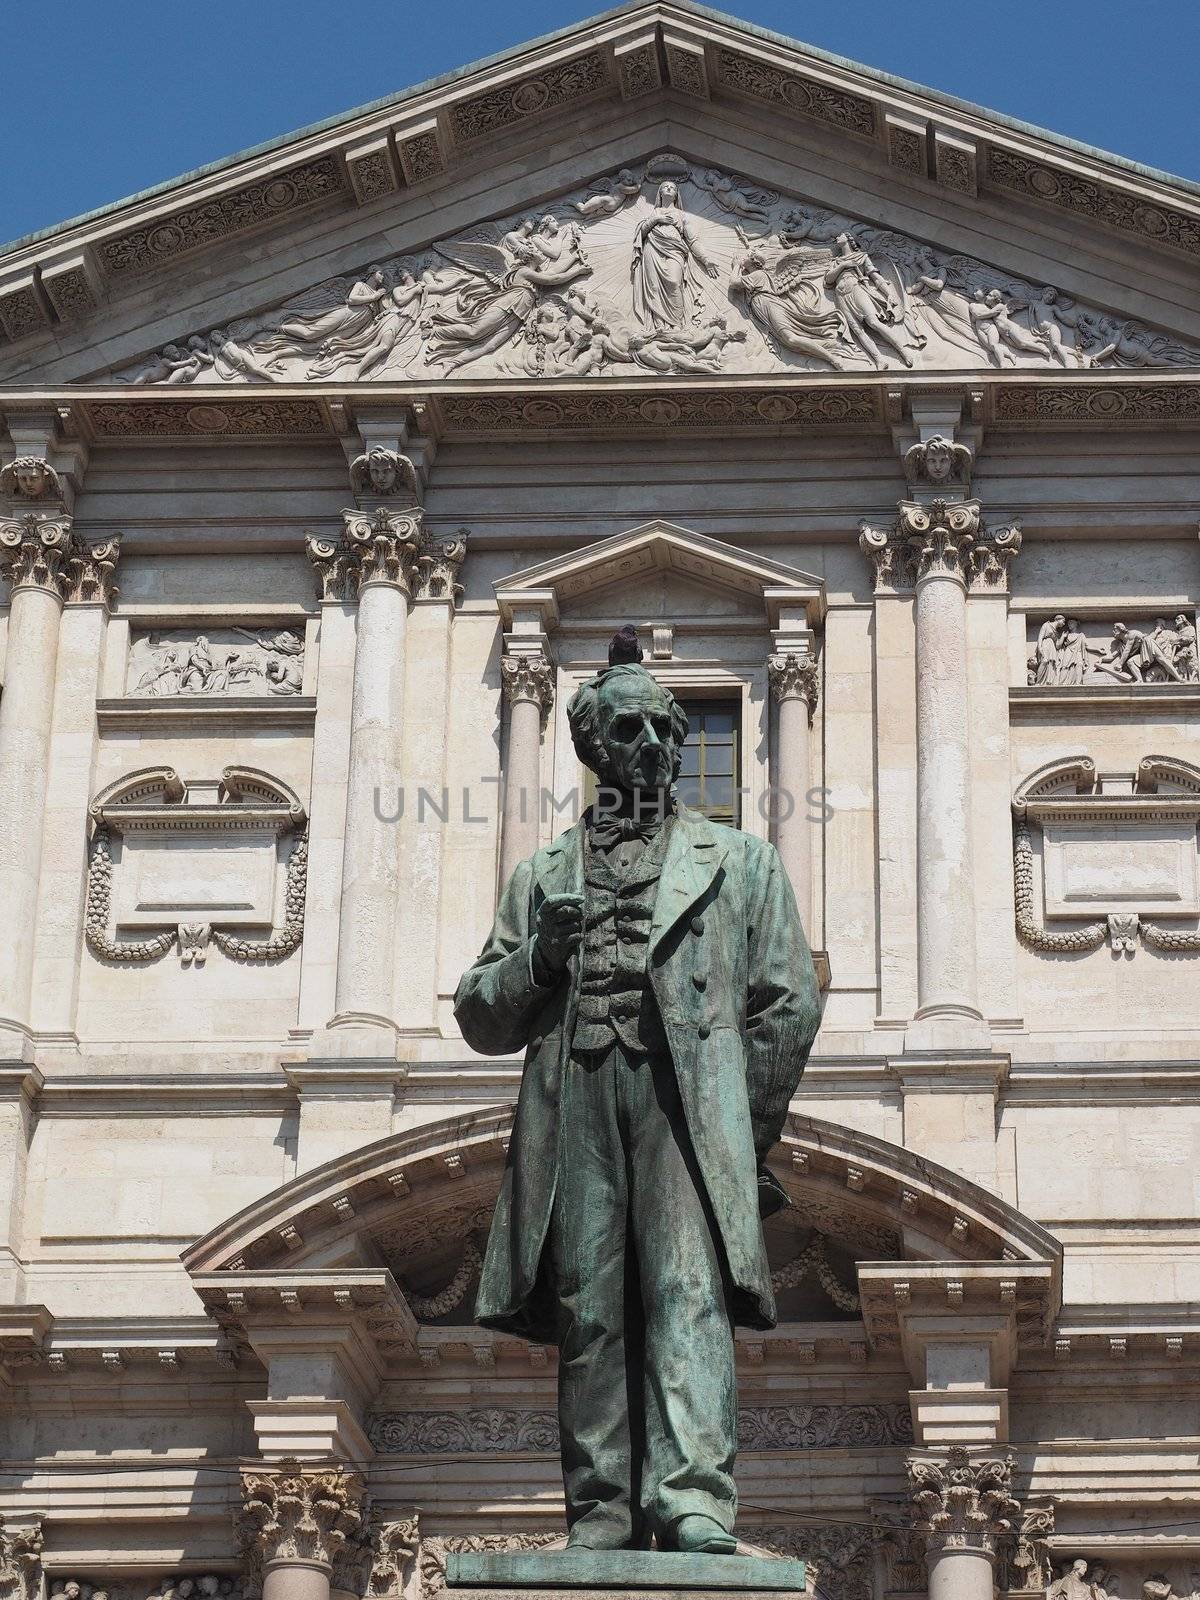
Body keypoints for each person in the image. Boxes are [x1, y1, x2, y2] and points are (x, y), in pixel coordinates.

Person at [456, 629, 820, 1556]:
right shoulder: (541, 877)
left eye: (669, 731)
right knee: (589, 1306)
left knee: (684, 1292)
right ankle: (602, 1508)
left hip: (684, 1104)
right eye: (631, 731)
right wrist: (542, 955)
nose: (656, 747)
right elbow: (480, 1016)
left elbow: (786, 1004)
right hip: (575, 1096)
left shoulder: (743, 864)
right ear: (592, 748)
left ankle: (692, 1495)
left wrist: (740, 1126)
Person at [630, 181, 719, 331]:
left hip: (675, 250)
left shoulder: (681, 215)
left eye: (672, 187)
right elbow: (641, 233)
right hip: (652, 249)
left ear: (676, 194)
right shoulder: (654, 213)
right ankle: (659, 326)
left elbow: (692, 240)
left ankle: (676, 324)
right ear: (660, 192)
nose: (669, 188)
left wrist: (706, 260)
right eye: (665, 186)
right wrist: (656, 220)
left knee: (674, 282)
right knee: (654, 286)